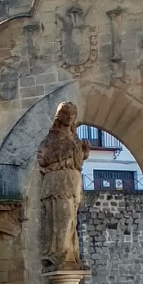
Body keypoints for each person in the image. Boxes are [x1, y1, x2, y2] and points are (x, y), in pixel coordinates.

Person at [37, 101, 90, 271]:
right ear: (60, 117)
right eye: (67, 114)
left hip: (72, 181)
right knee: (62, 218)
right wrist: (63, 154)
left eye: (72, 115)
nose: (70, 117)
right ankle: (56, 255)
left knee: (72, 220)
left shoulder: (74, 137)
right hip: (57, 183)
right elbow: (42, 160)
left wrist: (83, 153)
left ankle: (70, 256)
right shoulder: (51, 138)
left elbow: (77, 162)